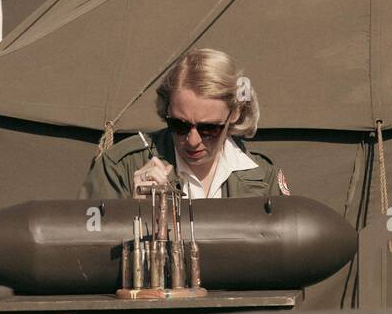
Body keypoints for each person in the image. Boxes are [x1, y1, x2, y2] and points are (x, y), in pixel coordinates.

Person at [79, 48, 291, 200]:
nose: (192, 140)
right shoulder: (120, 167)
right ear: (166, 110)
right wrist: (132, 215)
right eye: (180, 125)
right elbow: (84, 248)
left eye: (209, 128)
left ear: (234, 114)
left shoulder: (264, 177)